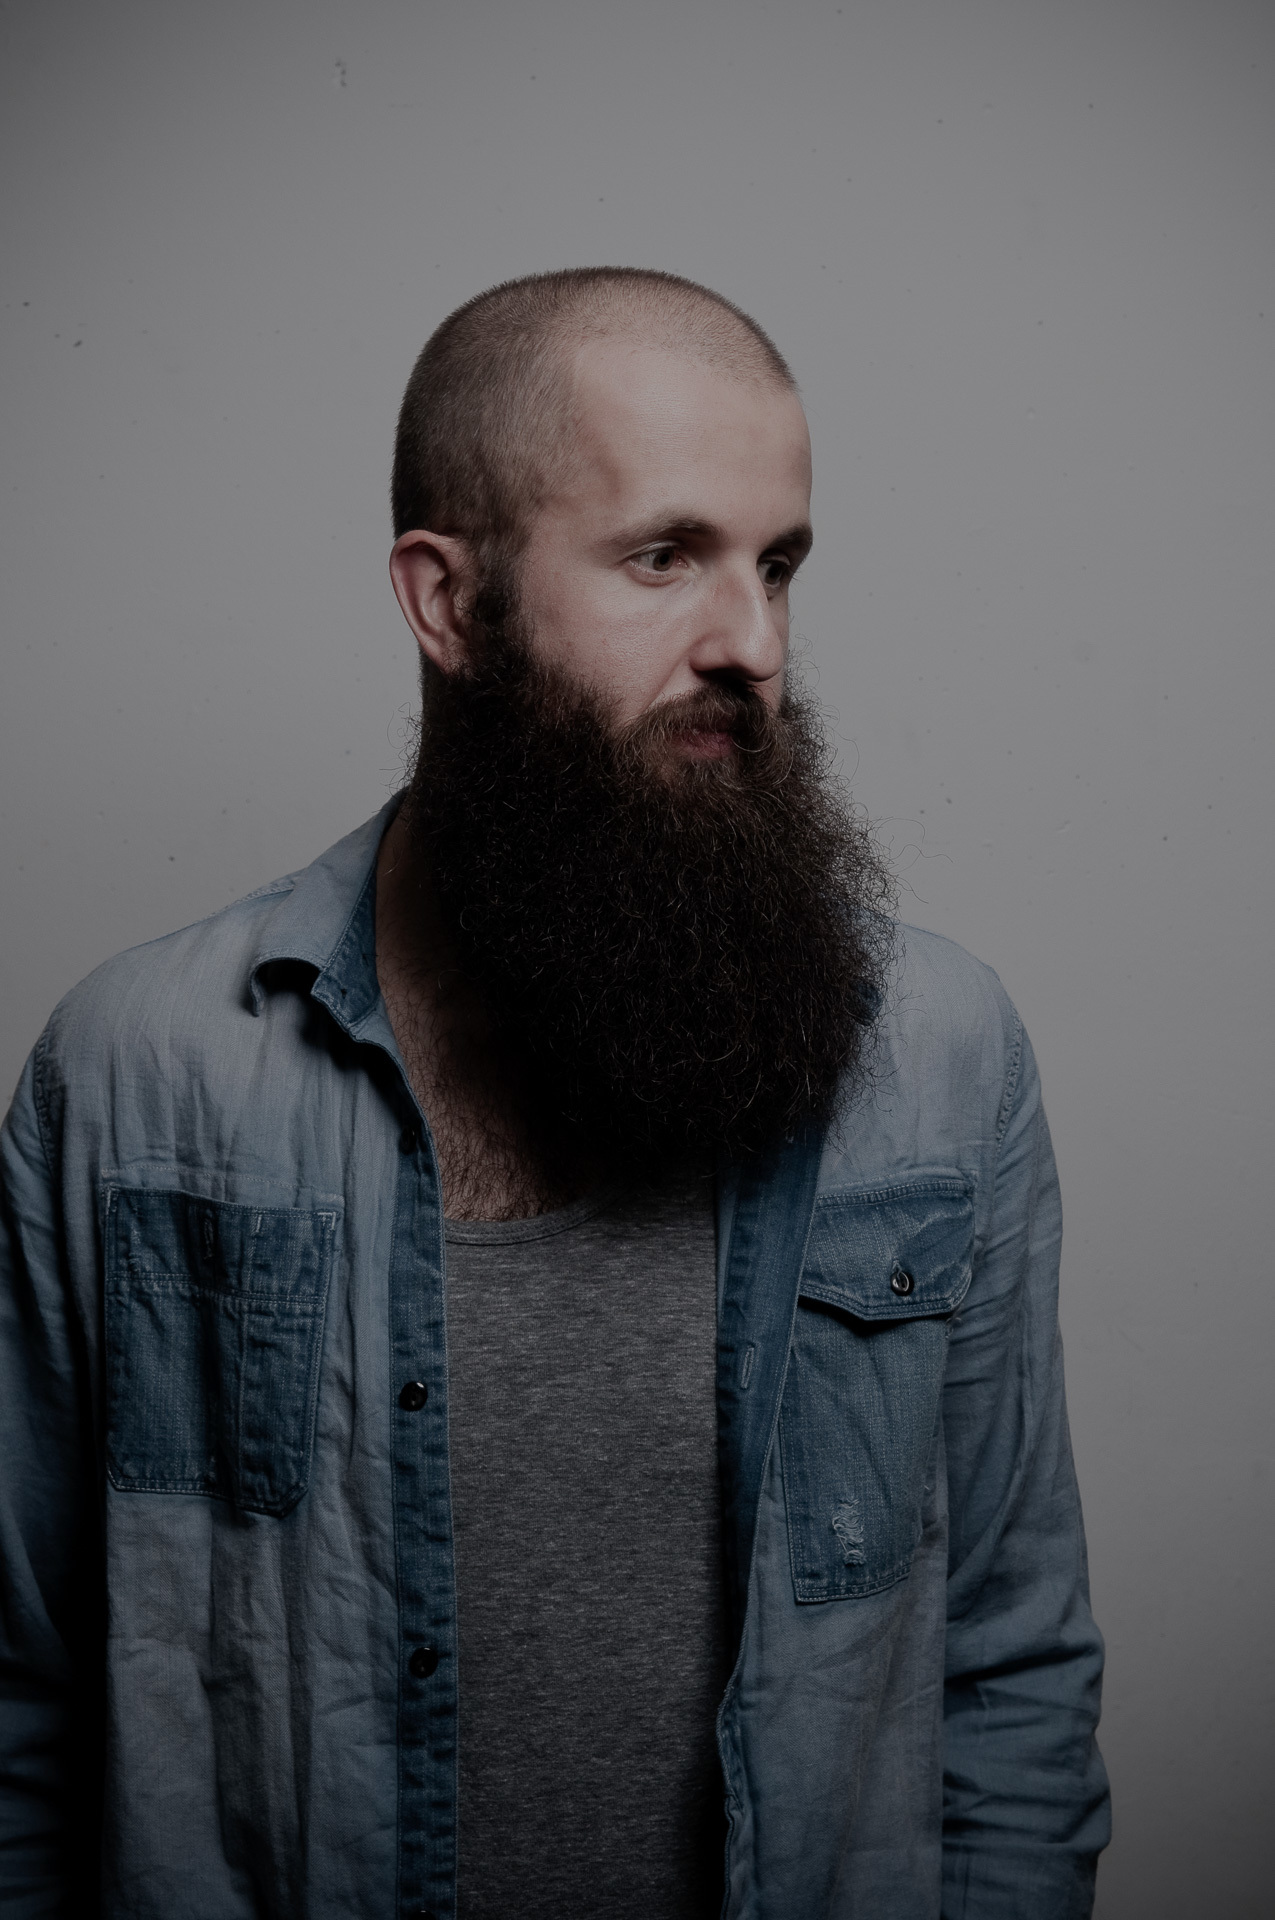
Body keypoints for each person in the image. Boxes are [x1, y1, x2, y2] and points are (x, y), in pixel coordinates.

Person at [0, 268, 1110, 1919]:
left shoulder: (942, 1056)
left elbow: (1010, 1674)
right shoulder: (136, 1076)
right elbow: (25, 1709)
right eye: (666, 558)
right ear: (446, 603)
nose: (753, 645)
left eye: (778, 566)